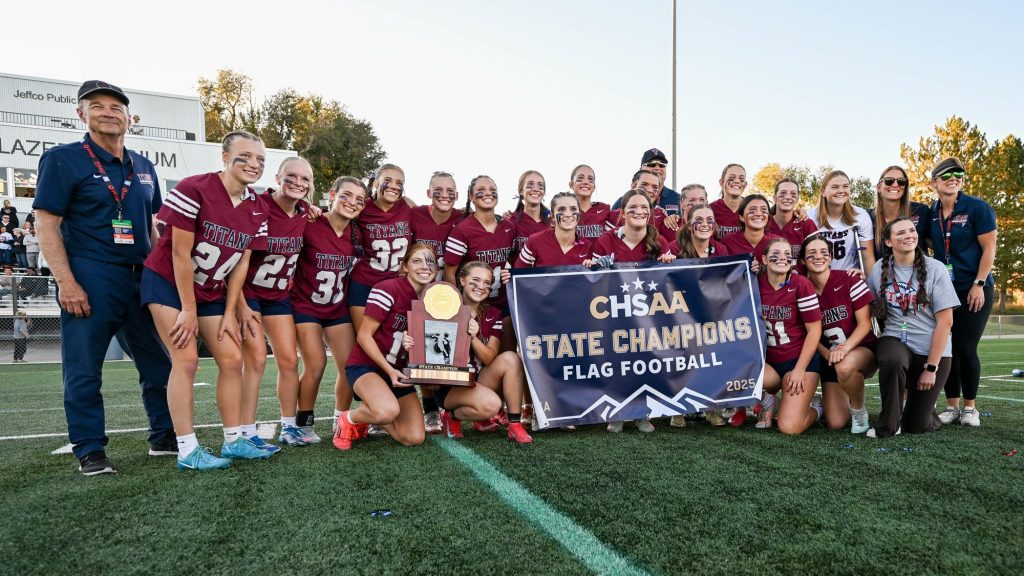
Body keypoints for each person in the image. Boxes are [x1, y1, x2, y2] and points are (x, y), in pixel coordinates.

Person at [33, 80, 175, 476]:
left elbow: (155, 225)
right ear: (81, 114)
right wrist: (67, 282)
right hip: (91, 273)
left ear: (130, 117)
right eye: (97, 106)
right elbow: (46, 224)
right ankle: (90, 448)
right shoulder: (63, 159)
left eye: (116, 106)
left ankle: (164, 434)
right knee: (83, 368)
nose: (108, 112)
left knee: (157, 362)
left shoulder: (143, 166)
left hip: (140, 276)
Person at [142, 130, 271, 471]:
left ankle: (233, 440)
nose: (253, 164)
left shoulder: (257, 206)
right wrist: (188, 310)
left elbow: (240, 262)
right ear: (225, 157)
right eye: (244, 156)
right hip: (169, 282)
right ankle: (187, 449)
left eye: (260, 159)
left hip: (212, 288)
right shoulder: (193, 188)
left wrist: (230, 311)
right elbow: (180, 255)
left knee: (232, 359)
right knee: (186, 360)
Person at [236, 157, 316, 452]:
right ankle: (245, 430)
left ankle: (289, 426)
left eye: (305, 179)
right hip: (249, 292)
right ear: (278, 176)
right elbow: (238, 257)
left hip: (280, 295)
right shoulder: (257, 205)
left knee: (289, 360)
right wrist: (240, 303)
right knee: (256, 359)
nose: (298, 183)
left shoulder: (305, 211)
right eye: (291, 176)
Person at [333, 243, 439, 451]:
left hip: (398, 373)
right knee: (386, 412)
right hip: (368, 367)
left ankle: (369, 414)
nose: (425, 266)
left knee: (413, 437)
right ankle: (349, 418)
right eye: (417, 260)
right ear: (405, 266)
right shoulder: (388, 288)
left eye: (430, 262)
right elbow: (364, 335)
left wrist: (433, 375)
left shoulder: (433, 300)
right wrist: (389, 370)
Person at [413, 261, 533, 443]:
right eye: (475, 280)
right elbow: (429, 349)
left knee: (511, 358)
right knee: (492, 405)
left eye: (487, 282)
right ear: (461, 279)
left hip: (478, 379)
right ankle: (451, 415)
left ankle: (515, 424)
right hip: (450, 386)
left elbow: (489, 357)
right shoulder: (443, 308)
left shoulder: (493, 313)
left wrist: (474, 335)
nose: (481, 286)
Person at [288, 176, 365, 445]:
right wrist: (301, 204)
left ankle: (340, 418)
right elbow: (283, 209)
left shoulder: (357, 233)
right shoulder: (311, 223)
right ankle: (302, 423)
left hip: (336, 307)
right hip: (305, 305)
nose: (351, 203)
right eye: (345, 195)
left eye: (359, 199)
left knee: (349, 366)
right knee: (316, 364)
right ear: (332, 194)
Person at [592, 189, 674, 433]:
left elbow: (669, 280)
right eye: (633, 207)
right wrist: (594, 267)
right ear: (622, 212)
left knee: (644, 361)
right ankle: (617, 411)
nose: (639, 211)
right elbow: (592, 280)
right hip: (614, 313)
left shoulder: (659, 241)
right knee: (618, 362)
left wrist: (669, 264)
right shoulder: (606, 240)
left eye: (644, 208)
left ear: (650, 214)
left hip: (647, 314)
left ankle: (641, 412)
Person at [867, 217, 958, 437]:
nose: (908, 235)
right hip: (895, 339)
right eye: (900, 233)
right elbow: (869, 305)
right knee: (891, 357)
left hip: (931, 352)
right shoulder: (880, 267)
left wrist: (931, 368)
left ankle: (925, 414)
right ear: (888, 242)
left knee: (916, 426)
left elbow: (946, 322)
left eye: (911, 230)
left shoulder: (935, 268)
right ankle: (888, 426)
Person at [927, 158, 997, 428]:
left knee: (966, 347)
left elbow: (989, 249)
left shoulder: (977, 207)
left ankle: (970, 408)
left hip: (974, 288)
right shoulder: (931, 211)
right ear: (934, 182)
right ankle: (952, 406)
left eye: (958, 174)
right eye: (946, 175)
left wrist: (979, 284)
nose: (953, 178)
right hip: (945, 290)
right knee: (948, 348)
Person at [801, 234, 876, 434]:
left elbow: (864, 324)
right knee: (836, 422)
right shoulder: (802, 289)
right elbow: (806, 333)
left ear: (831, 257)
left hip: (860, 348)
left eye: (824, 252)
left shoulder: (848, 279)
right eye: (811, 253)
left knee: (844, 366)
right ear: (802, 260)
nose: (819, 256)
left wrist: (844, 349)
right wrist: (827, 354)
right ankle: (825, 402)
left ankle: (859, 409)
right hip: (829, 356)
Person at [409, 171, 462, 432]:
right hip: (420, 291)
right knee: (424, 350)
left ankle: (449, 406)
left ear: (458, 194)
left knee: (449, 350)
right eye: (438, 190)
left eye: (450, 190)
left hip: (452, 293)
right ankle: (429, 408)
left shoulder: (463, 217)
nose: (444, 195)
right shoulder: (415, 213)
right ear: (429, 193)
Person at [756, 238, 823, 434]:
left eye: (787, 254)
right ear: (765, 259)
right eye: (775, 254)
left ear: (792, 260)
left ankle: (818, 408)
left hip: (797, 360)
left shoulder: (800, 284)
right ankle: (768, 399)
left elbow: (814, 330)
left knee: (789, 427)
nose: (782, 258)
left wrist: (799, 370)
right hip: (769, 362)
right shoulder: (755, 285)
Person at [444, 175, 516, 350]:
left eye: (492, 191)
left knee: (506, 355)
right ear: (471, 197)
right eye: (481, 191)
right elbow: (449, 272)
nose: (488, 194)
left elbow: (513, 263)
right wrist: (460, 308)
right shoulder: (462, 230)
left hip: (503, 304)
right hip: (473, 304)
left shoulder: (508, 227)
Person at [670, 203, 726, 427]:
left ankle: (711, 406)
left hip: (711, 312)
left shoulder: (720, 250)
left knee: (711, 358)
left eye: (709, 220)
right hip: (679, 313)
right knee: (682, 357)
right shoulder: (675, 247)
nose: (704, 224)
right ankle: (677, 408)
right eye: (699, 220)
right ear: (689, 222)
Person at [348, 164, 413, 331]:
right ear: (376, 183)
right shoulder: (362, 207)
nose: (393, 186)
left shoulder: (407, 206)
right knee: (364, 339)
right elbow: (337, 218)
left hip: (397, 285)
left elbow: (431, 218)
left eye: (399, 183)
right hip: (365, 284)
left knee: (391, 341)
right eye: (388, 180)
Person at [807, 170, 875, 275]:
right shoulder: (810, 217)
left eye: (845, 186)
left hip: (849, 277)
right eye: (835, 187)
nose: (841, 190)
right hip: (819, 279)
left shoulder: (860, 215)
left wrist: (870, 284)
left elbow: (868, 257)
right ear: (823, 192)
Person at [515, 192, 593, 268]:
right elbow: (518, 275)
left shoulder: (587, 246)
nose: (568, 214)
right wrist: (507, 275)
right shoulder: (535, 241)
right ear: (552, 215)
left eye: (573, 209)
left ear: (579, 214)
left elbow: (595, 278)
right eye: (561, 210)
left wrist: (592, 268)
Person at [867, 165, 929, 259]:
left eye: (901, 181)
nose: (895, 185)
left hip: (920, 272)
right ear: (879, 187)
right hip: (882, 272)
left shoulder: (921, 211)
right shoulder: (867, 217)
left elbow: (938, 242)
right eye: (889, 181)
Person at [720, 194, 782, 273]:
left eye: (763, 210)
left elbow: (786, 272)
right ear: (741, 217)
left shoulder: (778, 242)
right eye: (752, 210)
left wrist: (763, 269)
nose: (758, 214)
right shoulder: (728, 241)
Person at [612, 148, 681, 215]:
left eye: (662, 164)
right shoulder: (622, 202)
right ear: (641, 168)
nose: (657, 168)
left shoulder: (678, 200)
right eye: (651, 164)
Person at [768, 178, 817, 269]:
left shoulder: (806, 224)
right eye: (783, 193)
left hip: (800, 280)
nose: (787, 197)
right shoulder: (764, 223)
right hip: (770, 279)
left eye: (793, 194)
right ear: (774, 198)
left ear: (797, 199)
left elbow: (816, 256)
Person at [509, 170, 550, 261]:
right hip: (520, 274)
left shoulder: (553, 222)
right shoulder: (511, 221)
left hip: (547, 274)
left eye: (540, 186)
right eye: (530, 185)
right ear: (521, 191)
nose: (536, 189)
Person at [568, 165, 614, 240]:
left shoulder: (605, 210)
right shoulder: (563, 211)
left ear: (594, 187)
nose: (586, 182)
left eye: (590, 179)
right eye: (580, 178)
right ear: (571, 184)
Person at [710, 164, 747, 238]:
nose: (737, 181)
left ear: (745, 184)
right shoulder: (710, 209)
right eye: (732, 178)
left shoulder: (751, 208)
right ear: (721, 182)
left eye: (741, 179)